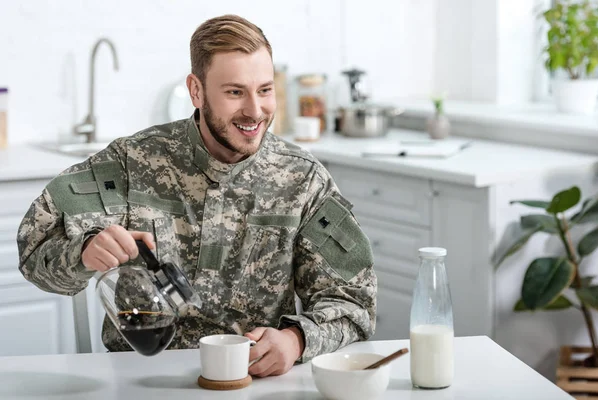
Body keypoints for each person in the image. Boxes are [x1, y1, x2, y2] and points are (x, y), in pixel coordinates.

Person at [17, 14, 377, 377]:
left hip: (251, 381)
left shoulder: (303, 179)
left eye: (264, 90)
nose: (255, 111)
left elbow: (355, 305)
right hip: (138, 378)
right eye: (235, 92)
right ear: (196, 90)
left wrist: (297, 339)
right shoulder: (130, 162)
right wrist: (83, 253)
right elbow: (34, 252)